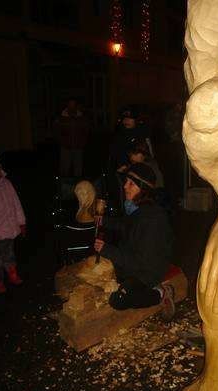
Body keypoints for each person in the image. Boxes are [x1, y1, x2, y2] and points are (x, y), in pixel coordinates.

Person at [94, 162, 175, 320]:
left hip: (148, 272)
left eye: (131, 184)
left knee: (119, 300)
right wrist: (104, 221)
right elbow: (126, 224)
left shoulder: (152, 220)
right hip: (133, 262)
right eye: (126, 182)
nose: (125, 187)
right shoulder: (140, 209)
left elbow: (141, 263)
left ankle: (161, 292)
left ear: (143, 189)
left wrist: (107, 250)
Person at [0, 151, 26, 294]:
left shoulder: (6, 183)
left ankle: (12, 274)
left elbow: (16, 203)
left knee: (9, 254)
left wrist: (21, 222)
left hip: (8, 229)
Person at [54, 98, 90, 177]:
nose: (72, 107)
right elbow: (57, 132)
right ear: (67, 106)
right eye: (70, 105)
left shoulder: (82, 118)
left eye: (73, 105)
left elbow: (86, 131)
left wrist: (82, 143)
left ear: (76, 106)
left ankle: (77, 185)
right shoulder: (61, 118)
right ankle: (64, 186)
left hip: (78, 148)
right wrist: (62, 142)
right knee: (64, 169)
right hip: (66, 148)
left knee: (78, 170)